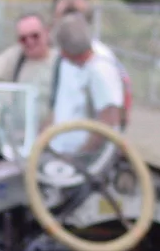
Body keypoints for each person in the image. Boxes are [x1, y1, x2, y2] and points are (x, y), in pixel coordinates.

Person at [51, 0, 133, 128]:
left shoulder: (99, 61)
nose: (55, 22)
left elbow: (108, 122)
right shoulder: (67, 57)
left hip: (86, 149)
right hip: (63, 146)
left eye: (59, 17)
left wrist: (86, 149)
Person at [48, 13, 125, 153]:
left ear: (66, 53)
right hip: (62, 150)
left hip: (86, 159)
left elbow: (107, 122)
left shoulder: (101, 68)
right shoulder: (68, 63)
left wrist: (82, 155)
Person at [0, 13, 57, 98]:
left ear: (46, 32)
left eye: (35, 36)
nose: (30, 42)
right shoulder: (17, 56)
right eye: (23, 39)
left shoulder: (60, 61)